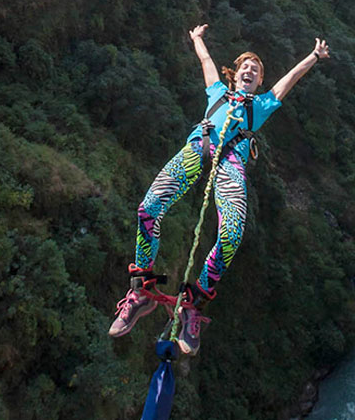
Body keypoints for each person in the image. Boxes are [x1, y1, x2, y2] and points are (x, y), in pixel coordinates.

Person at [109, 24, 330, 355]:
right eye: (245, 67)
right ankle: (142, 291)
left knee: (232, 232)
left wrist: (313, 56)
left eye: (255, 71)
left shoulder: (261, 106)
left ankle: (193, 304)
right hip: (198, 150)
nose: (250, 71)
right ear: (236, 75)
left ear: (258, 83)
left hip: (229, 164)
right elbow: (206, 61)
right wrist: (197, 38)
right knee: (148, 209)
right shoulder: (216, 92)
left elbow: (289, 81)